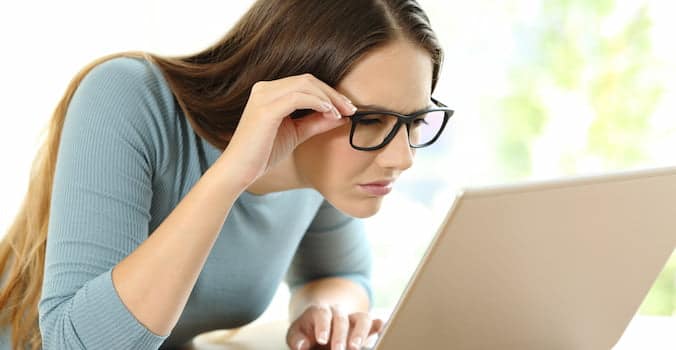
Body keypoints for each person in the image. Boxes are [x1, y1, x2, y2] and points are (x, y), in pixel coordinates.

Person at [0, 0, 451, 349]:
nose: (403, 159)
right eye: (369, 120)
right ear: (295, 98)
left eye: (413, 122)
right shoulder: (127, 96)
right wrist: (234, 171)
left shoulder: (326, 174)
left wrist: (326, 310)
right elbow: (76, 342)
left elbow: (341, 273)